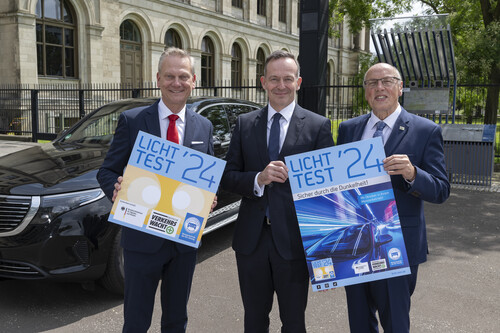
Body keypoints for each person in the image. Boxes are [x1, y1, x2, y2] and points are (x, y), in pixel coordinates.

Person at [97, 47, 214, 333]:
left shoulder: (204, 127)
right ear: (158, 79)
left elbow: (208, 177)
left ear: (194, 80)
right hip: (141, 241)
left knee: (176, 320)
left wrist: (210, 198)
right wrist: (116, 189)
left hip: (183, 243)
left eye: (183, 76)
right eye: (170, 76)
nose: (177, 82)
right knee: (136, 322)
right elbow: (107, 171)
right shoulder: (133, 121)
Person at [221, 50, 335, 332]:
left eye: (287, 78)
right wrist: (258, 179)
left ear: (298, 82)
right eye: (274, 79)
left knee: (294, 322)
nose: (280, 85)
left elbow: (330, 188)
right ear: (263, 81)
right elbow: (228, 176)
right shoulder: (245, 124)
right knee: (254, 320)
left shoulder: (318, 126)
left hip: (296, 241)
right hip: (251, 242)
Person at [337, 62, 450, 332]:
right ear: (365, 91)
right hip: (355, 244)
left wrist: (412, 173)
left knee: (396, 323)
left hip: (397, 244)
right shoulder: (348, 129)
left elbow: (441, 189)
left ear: (400, 87)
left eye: (386, 81)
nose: (379, 88)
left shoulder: (425, 130)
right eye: (372, 83)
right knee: (359, 322)